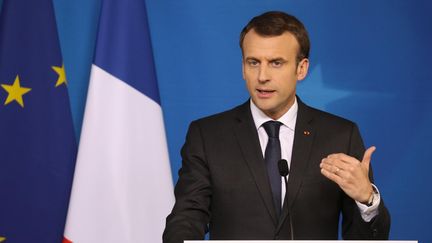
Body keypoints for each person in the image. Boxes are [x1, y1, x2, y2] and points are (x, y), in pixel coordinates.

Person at [163, 11, 390, 242]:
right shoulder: (207, 135)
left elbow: (368, 238)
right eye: (253, 62)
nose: (262, 76)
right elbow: (187, 217)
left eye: (276, 63)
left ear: (301, 69)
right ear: (243, 67)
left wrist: (367, 199)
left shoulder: (341, 135)